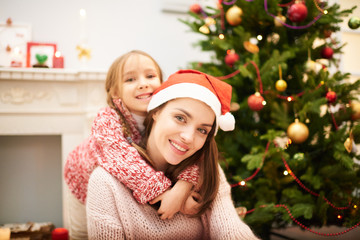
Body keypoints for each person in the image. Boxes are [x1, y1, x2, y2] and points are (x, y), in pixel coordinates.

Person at [86, 69, 259, 239]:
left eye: (202, 130)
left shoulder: (208, 173)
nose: (188, 137)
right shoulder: (105, 183)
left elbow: (233, 233)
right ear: (156, 112)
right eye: (180, 118)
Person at [64, 51, 200, 239]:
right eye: (130, 79)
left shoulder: (168, 116)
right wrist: (168, 195)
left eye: (150, 76)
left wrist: (182, 188)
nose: (143, 83)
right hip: (81, 177)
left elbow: (194, 152)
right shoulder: (107, 119)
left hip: (129, 185)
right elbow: (122, 160)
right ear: (115, 92)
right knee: (82, 234)